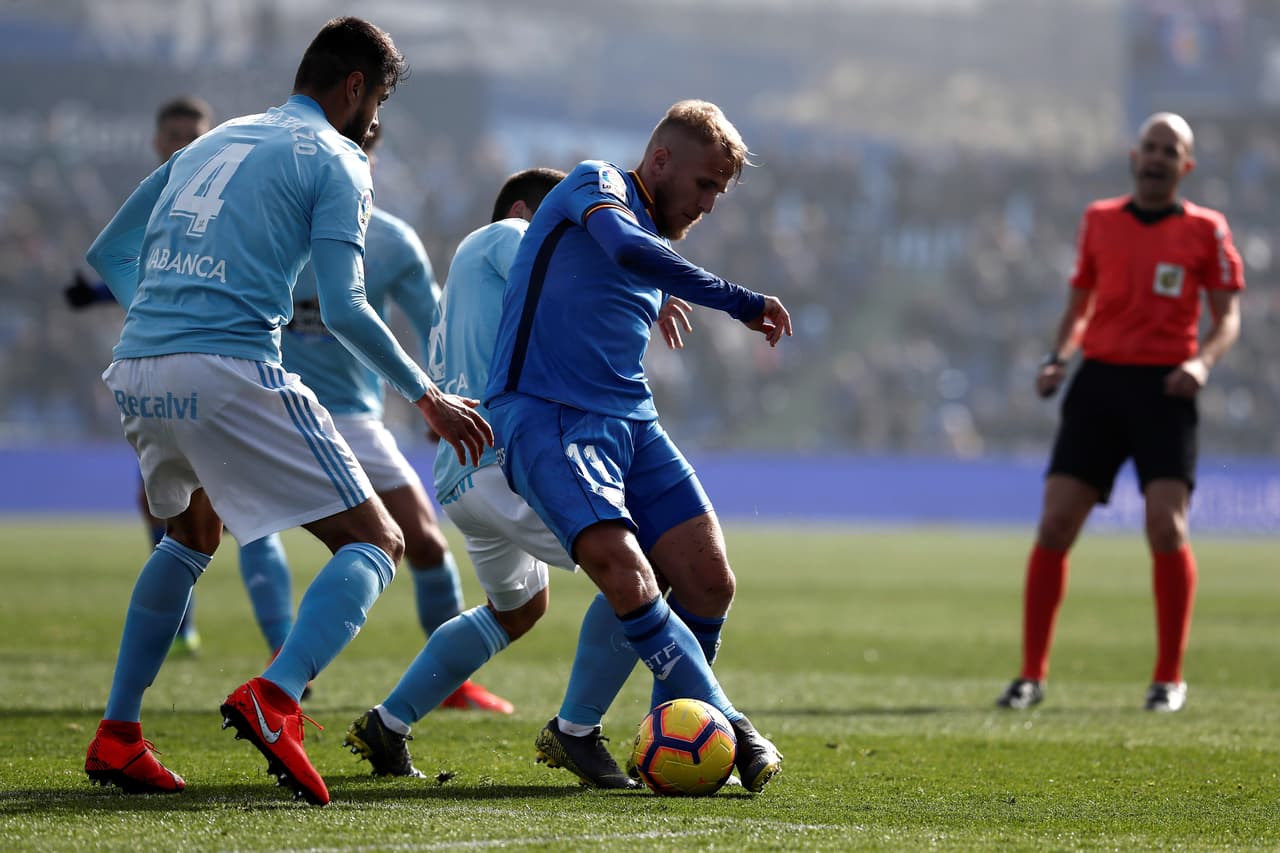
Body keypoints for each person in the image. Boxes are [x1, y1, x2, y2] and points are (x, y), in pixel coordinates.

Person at [81, 16, 492, 807]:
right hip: (229, 363)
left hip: (138, 368)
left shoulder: (212, 140)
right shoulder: (339, 156)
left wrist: (162, 322)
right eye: (376, 104)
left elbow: (110, 252)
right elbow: (344, 306)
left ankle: (118, 733)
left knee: (191, 534)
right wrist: (427, 395)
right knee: (378, 539)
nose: (376, 123)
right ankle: (278, 695)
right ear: (352, 89)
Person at [344, 168, 695, 788]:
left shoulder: (474, 278)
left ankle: (388, 723)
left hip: (464, 473)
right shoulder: (509, 236)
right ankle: (578, 732)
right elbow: (574, 278)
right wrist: (659, 284)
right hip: (505, 462)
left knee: (519, 608)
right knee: (645, 565)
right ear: (525, 210)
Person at [483, 100, 791, 793]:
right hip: (550, 413)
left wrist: (661, 291)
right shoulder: (597, 183)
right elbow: (622, 246)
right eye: (705, 184)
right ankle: (731, 724)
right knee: (627, 573)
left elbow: (625, 264)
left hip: (632, 420)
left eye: (719, 191)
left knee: (709, 578)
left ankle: (659, 743)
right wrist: (738, 300)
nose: (710, 204)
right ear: (659, 162)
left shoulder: (650, 238)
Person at [237, 124, 512, 714]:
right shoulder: (266, 231)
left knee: (425, 542)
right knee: (228, 529)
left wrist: (444, 398)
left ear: (367, 162)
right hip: (268, 403)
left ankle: (450, 684)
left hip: (352, 419)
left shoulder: (390, 242)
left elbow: (438, 324)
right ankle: (281, 661)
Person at [996, 112, 1244, 714]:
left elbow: (1228, 318)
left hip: (1168, 390)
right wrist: (1060, 358)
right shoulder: (1100, 220)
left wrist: (1203, 364)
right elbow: (1080, 307)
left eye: (1171, 150)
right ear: (1136, 156)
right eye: (1151, 147)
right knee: (1055, 526)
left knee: (1166, 527)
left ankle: (1168, 677)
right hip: (1099, 385)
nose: (1158, 158)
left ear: (1186, 166)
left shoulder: (1207, 231)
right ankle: (1030, 676)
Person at [65, 95, 216, 657]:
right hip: (162, 365)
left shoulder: (220, 203)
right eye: (174, 134)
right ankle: (185, 619)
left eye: (193, 136)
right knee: (161, 497)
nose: (182, 145)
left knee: (217, 497)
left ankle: (280, 647)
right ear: (157, 141)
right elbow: (142, 269)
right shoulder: (152, 201)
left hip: (225, 362)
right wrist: (100, 293)